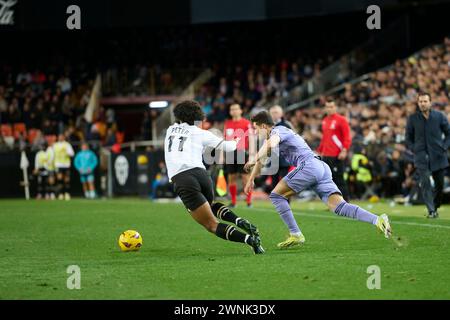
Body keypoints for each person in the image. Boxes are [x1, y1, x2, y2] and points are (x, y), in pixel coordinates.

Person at [243, 111, 392, 249]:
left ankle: (295, 234)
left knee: (276, 195)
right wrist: (251, 180)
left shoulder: (278, 131)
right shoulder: (272, 137)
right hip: (321, 167)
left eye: (256, 129)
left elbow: (270, 145)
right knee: (339, 207)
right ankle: (378, 220)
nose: (255, 132)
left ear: (263, 126)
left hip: (309, 166)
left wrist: (253, 158)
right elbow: (261, 161)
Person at [164, 100, 264, 254]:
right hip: (201, 175)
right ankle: (239, 221)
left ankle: (250, 240)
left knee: (211, 224)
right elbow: (229, 146)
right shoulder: (202, 133)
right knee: (210, 205)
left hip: (183, 179)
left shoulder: (170, 130)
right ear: (198, 118)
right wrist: (237, 140)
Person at [405, 92, 450, 218]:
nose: (423, 104)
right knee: (425, 183)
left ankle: (435, 207)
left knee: (440, 185)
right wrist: (414, 149)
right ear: (418, 103)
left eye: (425, 101)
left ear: (430, 102)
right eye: (420, 101)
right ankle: (431, 210)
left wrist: (444, 147)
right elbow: (408, 138)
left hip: (438, 155)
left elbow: (448, 133)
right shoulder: (412, 118)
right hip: (420, 156)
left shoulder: (439, 116)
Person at [316, 99, 351, 201]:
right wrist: (319, 150)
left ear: (335, 107)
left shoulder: (341, 120)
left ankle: (346, 202)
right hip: (326, 155)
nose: (329, 109)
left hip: (337, 154)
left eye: (331, 106)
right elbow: (325, 138)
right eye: (327, 107)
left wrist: (344, 150)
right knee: (328, 180)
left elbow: (347, 136)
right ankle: (333, 202)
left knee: (339, 179)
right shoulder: (325, 120)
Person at [223, 103, 254, 207]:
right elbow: (225, 139)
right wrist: (222, 155)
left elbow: (251, 138)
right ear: (230, 112)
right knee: (231, 177)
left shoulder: (246, 123)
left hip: (242, 152)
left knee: (246, 177)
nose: (234, 111)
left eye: (236, 109)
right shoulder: (227, 123)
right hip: (230, 152)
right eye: (232, 109)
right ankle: (233, 201)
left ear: (240, 111)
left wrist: (251, 154)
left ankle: (249, 201)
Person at [268, 105, 294, 192]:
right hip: (272, 158)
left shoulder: (286, 125)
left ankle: (287, 202)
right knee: (274, 183)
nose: (274, 115)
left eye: (276, 112)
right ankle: (277, 202)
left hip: (284, 158)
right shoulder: (267, 126)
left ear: (281, 114)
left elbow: (293, 139)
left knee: (285, 181)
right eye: (272, 113)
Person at [53, 133, 75, 200]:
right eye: (59, 137)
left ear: (64, 137)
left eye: (62, 137)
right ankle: (60, 194)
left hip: (66, 164)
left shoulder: (67, 145)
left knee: (66, 180)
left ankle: (67, 193)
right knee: (60, 180)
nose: (60, 138)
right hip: (58, 164)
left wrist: (66, 152)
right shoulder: (55, 145)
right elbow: (53, 155)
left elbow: (72, 154)